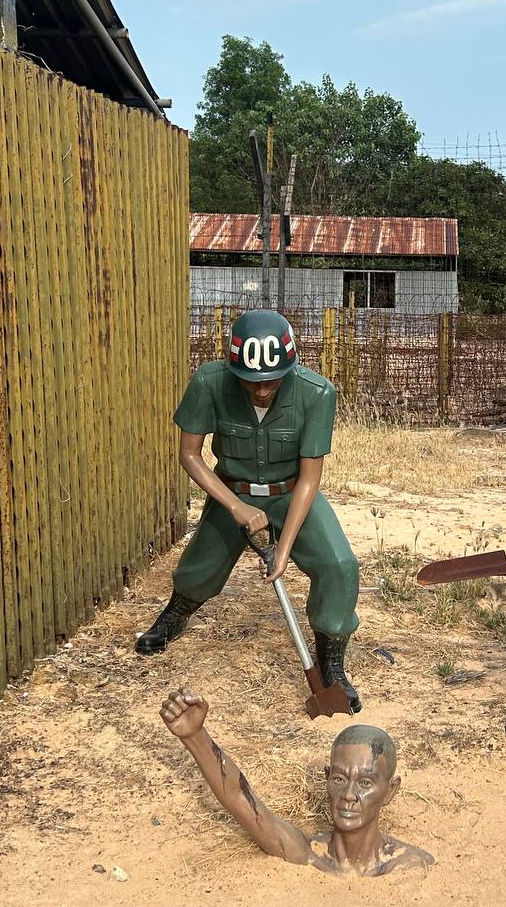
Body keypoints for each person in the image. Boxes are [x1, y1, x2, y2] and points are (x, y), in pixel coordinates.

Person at [136, 309, 362, 712]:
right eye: (252, 381)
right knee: (199, 567)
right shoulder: (209, 382)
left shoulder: (317, 393)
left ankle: (332, 661)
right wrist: (236, 507)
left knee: (339, 564)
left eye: (272, 380)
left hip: (291, 494)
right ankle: (174, 615)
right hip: (232, 491)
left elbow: (310, 478)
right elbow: (189, 455)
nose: (261, 390)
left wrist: (283, 548)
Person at [160, 688, 434, 876]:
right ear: (327, 779)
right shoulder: (305, 855)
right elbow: (239, 797)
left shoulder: (410, 866)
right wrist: (195, 736)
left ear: (390, 790)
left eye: (365, 783)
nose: (349, 794)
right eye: (339, 778)